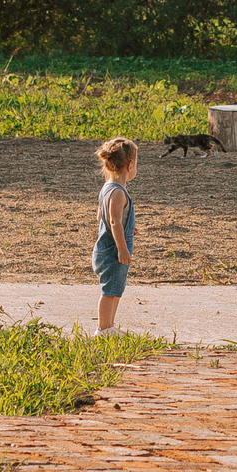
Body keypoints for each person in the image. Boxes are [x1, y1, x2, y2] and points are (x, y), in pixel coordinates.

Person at [91, 136, 137, 332]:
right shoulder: (118, 192)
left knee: (116, 290)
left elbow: (102, 215)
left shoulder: (107, 188)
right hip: (112, 251)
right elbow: (114, 222)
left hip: (107, 248)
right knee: (109, 291)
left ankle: (110, 327)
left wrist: (129, 226)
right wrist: (122, 249)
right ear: (129, 165)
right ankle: (102, 329)